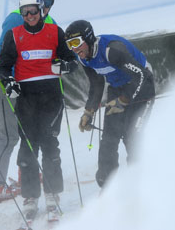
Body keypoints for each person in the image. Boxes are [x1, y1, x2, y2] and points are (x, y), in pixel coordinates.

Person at [0, 0, 78, 216]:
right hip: (26, 95)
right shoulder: (13, 35)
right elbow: (1, 66)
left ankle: (52, 193)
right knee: (28, 146)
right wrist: (9, 81)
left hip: (51, 93)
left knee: (50, 143)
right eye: (25, 12)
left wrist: (66, 66)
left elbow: (72, 60)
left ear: (42, 10)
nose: (30, 16)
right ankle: (30, 197)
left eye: (33, 11)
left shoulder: (55, 31)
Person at [0, 0, 57, 205]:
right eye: (40, 1)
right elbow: (1, 59)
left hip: (29, 85)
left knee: (30, 131)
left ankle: (28, 174)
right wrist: (11, 81)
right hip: (4, 80)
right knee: (9, 134)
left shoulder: (49, 23)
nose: (42, 8)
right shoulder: (16, 18)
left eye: (48, 3)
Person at [65, 20, 155, 188]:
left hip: (143, 85)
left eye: (76, 42)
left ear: (88, 38)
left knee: (132, 136)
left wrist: (123, 101)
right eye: (69, 44)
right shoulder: (84, 58)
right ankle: (107, 187)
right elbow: (97, 84)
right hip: (118, 89)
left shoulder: (111, 50)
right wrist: (89, 112)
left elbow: (141, 77)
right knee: (109, 138)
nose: (74, 48)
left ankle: (142, 185)